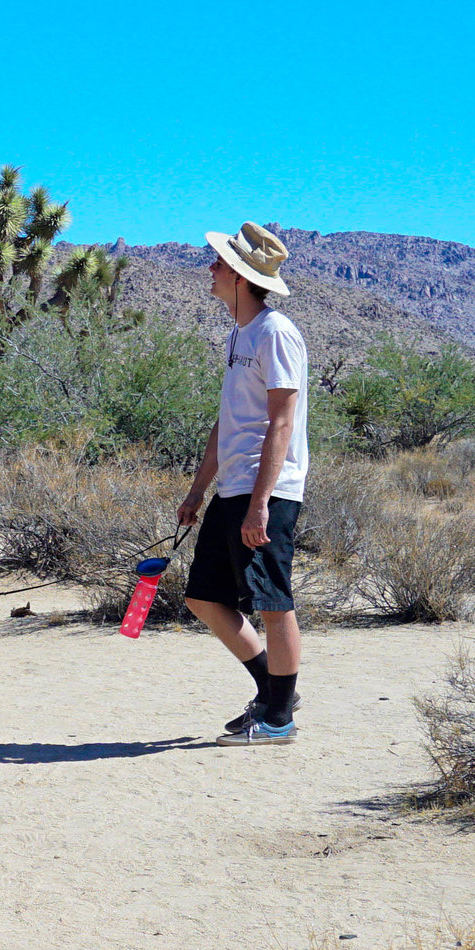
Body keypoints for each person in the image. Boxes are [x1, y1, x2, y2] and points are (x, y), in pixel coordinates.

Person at [175, 222, 309, 746]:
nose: (210, 270)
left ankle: (279, 719)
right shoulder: (240, 334)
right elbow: (228, 420)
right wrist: (197, 489)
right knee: (204, 597)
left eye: (218, 264)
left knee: (274, 602)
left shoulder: (277, 333)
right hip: (234, 487)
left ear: (239, 276)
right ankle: (274, 693)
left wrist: (260, 505)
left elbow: (282, 421)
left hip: (266, 491)